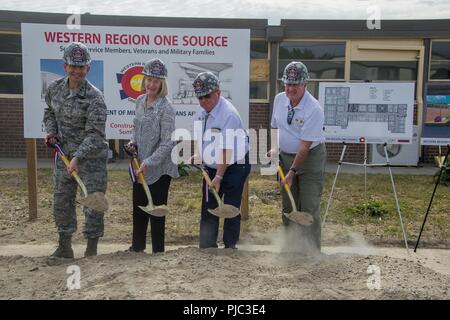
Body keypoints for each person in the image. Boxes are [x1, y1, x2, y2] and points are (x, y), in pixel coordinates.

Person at [43, 42, 108, 258]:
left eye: (81, 67)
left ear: (88, 69)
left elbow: (95, 134)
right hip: (64, 156)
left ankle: (91, 249)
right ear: (65, 66)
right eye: (73, 66)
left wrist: (78, 157)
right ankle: (64, 246)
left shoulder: (95, 97)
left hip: (90, 159)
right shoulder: (54, 89)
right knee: (62, 200)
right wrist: (52, 133)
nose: (76, 71)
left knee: (93, 203)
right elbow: (49, 113)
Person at [270, 61, 326, 252]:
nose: (290, 88)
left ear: (305, 84)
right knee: (288, 205)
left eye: (295, 84)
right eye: (288, 84)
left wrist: (292, 171)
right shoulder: (279, 99)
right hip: (285, 158)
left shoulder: (314, 109)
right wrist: (274, 149)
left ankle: (311, 251)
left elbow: (304, 147)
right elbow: (275, 127)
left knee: (308, 206)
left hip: (309, 159)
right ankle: (290, 248)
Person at [124, 58, 179, 254]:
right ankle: (137, 247)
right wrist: (132, 143)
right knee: (138, 208)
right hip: (140, 165)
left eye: (156, 81)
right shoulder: (139, 101)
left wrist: (149, 161)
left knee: (157, 213)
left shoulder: (167, 108)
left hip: (160, 168)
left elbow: (168, 142)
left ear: (162, 83)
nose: (151, 84)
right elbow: (136, 129)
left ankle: (158, 252)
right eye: (148, 79)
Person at [191, 71, 251, 249]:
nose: (203, 101)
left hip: (234, 165)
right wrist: (199, 154)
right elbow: (200, 137)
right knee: (209, 205)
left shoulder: (229, 115)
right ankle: (207, 244)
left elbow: (227, 150)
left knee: (231, 207)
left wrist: (218, 177)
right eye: (199, 97)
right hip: (212, 165)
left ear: (218, 92)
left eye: (207, 96)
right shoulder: (200, 113)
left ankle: (230, 246)